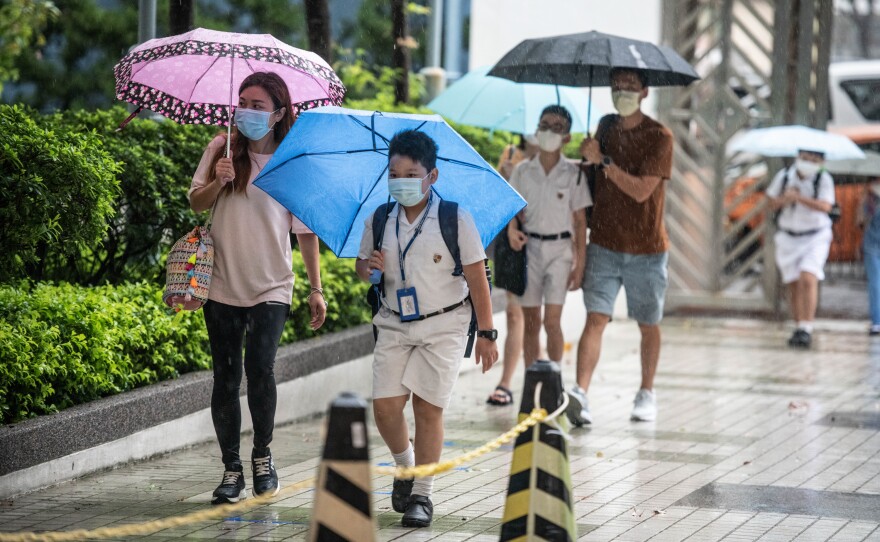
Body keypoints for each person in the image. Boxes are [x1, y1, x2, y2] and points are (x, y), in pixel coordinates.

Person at [188, 72, 328, 505]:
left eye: (257, 105)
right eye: (242, 101)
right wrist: (219, 179)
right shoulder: (221, 148)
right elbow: (196, 201)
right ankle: (232, 469)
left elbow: (305, 232)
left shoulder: (292, 162)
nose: (246, 111)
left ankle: (262, 456)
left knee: (260, 368)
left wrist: (315, 289)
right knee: (226, 378)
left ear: (279, 113)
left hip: (272, 285)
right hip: (222, 283)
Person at [356, 130, 499, 527]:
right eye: (394, 172)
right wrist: (370, 268)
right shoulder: (381, 218)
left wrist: (487, 334)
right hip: (393, 322)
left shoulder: (455, 218)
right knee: (385, 408)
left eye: (411, 173)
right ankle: (406, 468)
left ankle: (422, 495)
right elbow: (361, 268)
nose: (401, 180)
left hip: (445, 323)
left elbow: (477, 279)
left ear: (431, 176)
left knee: (427, 408)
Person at [568, 68, 674, 426]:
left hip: (647, 247)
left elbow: (643, 190)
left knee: (648, 322)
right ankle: (580, 394)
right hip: (604, 242)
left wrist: (604, 162)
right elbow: (591, 176)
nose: (622, 92)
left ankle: (646, 391)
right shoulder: (606, 126)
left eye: (630, 86)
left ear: (645, 91)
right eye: (616, 86)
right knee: (596, 317)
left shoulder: (660, 136)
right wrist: (584, 159)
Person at [506, 106, 589, 376]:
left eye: (557, 127)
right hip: (530, 250)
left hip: (561, 251)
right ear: (536, 130)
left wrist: (580, 264)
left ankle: (555, 380)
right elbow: (511, 211)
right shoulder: (521, 172)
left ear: (567, 137)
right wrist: (511, 228)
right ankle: (532, 379)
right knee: (531, 322)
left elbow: (579, 221)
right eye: (545, 125)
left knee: (552, 321)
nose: (549, 131)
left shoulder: (574, 173)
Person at [487, 133, 539, 406]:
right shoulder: (510, 154)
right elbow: (498, 201)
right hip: (512, 243)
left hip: (542, 241)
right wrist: (507, 179)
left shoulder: (552, 163)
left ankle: (539, 379)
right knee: (515, 313)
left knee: (536, 317)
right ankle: (506, 382)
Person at [765, 149, 836, 348]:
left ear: (821, 161)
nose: (808, 163)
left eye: (814, 160)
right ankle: (798, 327)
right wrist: (785, 199)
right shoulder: (785, 176)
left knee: (808, 277)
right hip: (788, 236)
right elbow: (770, 202)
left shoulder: (823, 179)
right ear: (798, 157)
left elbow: (826, 206)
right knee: (794, 283)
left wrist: (800, 198)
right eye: (805, 159)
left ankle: (807, 327)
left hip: (815, 236)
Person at [859, 176, 880, 336]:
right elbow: (860, 221)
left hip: (872, 244)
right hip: (872, 245)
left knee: (875, 283)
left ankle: (876, 322)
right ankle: (877, 321)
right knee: (875, 283)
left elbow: (860, 221)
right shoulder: (870, 199)